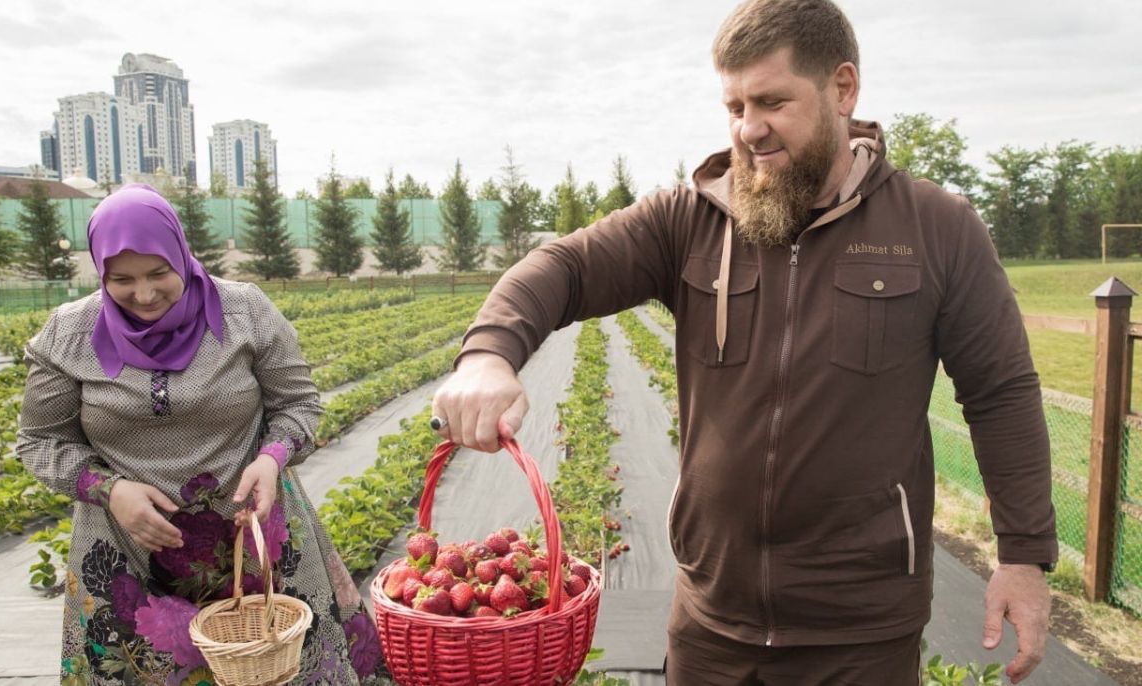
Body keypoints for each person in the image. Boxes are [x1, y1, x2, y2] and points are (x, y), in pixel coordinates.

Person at [430, 1, 1056, 684]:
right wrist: (490, 353)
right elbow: (567, 266)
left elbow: (1001, 394)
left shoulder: (935, 227)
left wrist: (1023, 556)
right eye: (733, 106)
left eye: (771, 101)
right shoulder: (690, 220)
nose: (748, 128)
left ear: (843, 89)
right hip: (711, 622)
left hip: (862, 635)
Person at [17, 184, 390, 685]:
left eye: (158, 274)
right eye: (121, 279)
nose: (143, 295)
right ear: (100, 271)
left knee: (280, 670)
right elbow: (39, 440)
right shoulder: (68, 334)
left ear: (181, 254)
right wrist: (110, 490)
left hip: (256, 545)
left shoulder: (244, 313)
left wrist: (272, 458)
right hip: (127, 555)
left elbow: (298, 403)